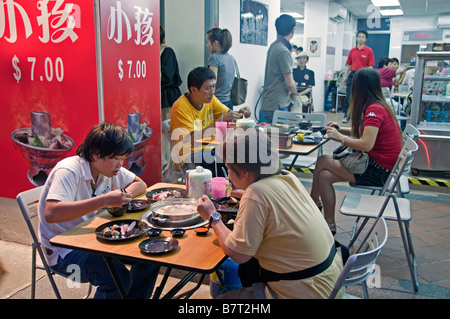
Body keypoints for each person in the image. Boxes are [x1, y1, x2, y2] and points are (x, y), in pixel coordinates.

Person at [196, 129, 344, 299]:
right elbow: (276, 205)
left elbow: (239, 254)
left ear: (245, 174)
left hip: (306, 291)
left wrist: (213, 216)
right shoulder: (287, 178)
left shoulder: (256, 194)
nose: (227, 174)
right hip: (330, 283)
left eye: (228, 168)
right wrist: (247, 195)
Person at [38, 122, 160, 299]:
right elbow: (52, 213)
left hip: (94, 239)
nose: (120, 164)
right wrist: (104, 200)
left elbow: (140, 184)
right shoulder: (69, 171)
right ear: (96, 154)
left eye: (122, 159)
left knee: (150, 255)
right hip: (63, 250)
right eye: (116, 159)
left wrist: (124, 194)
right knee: (117, 278)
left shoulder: (107, 169)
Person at [310, 68, 402, 235]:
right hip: (383, 168)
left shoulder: (374, 110)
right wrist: (341, 130)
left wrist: (340, 137)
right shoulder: (379, 106)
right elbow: (365, 133)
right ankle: (329, 225)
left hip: (378, 171)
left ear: (359, 88)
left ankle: (311, 205)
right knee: (323, 176)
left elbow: (366, 144)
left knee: (322, 160)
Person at [170, 67, 251, 176]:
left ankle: (235, 188)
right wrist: (218, 123)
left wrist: (240, 113)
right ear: (193, 89)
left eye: (214, 86)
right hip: (189, 155)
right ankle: (226, 189)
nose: (212, 92)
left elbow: (229, 114)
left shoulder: (210, 100)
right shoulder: (181, 107)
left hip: (210, 148)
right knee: (229, 159)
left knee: (240, 153)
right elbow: (190, 139)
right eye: (208, 88)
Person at [261, 14, 299, 123]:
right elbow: (289, 82)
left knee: (273, 138)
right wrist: (295, 96)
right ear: (293, 30)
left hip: (269, 103)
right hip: (278, 105)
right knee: (280, 138)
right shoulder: (283, 51)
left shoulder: (274, 46)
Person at [342, 30, 375, 123]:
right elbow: (348, 64)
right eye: (359, 36)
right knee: (349, 95)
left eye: (363, 37)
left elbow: (370, 66)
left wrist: (371, 78)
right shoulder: (352, 51)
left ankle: (362, 115)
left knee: (363, 96)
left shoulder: (369, 51)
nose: (361, 38)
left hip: (363, 75)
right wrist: (345, 76)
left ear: (365, 39)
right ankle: (346, 115)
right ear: (356, 38)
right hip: (352, 74)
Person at [206, 28, 235, 108]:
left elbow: (211, 82)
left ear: (215, 43)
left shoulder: (215, 58)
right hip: (228, 102)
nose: (207, 45)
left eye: (207, 42)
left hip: (217, 103)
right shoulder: (231, 58)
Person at [160, 25, 182, 122]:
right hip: (159, 96)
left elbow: (167, 76)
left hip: (167, 97)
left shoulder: (166, 51)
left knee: (166, 131)